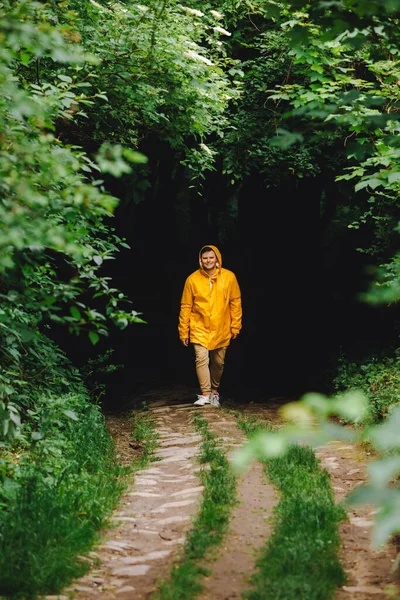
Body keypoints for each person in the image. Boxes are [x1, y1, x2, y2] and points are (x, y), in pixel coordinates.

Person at [178, 245, 242, 407]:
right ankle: (205, 394)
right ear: (200, 260)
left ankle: (214, 391)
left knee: (218, 362)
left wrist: (236, 325)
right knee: (201, 358)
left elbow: (235, 302)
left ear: (217, 259)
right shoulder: (192, 279)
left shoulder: (229, 277)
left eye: (211, 258)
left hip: (222, 326)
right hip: (199, 326)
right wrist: (183, 330)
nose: (208, 261)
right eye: (205, 258)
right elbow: (186, 306)